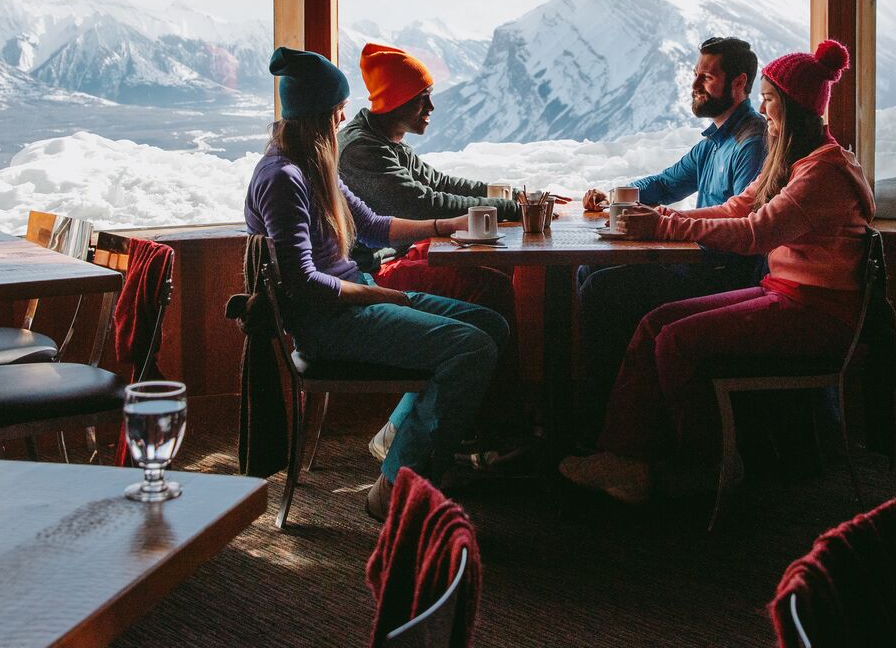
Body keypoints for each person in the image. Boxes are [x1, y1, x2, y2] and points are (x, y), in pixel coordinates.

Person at [558, 40, 871, 505]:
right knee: (655, 324)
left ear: (790, 106)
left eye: (769, 100)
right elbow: (737, 208)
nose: (764, 111)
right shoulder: (797, 164)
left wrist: (665, 224)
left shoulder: (823, 174)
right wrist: (660, 216)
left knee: (676, 340)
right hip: (785, 293)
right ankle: (622, 454)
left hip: (817, 313)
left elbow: (754, 233)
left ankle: (706, 467)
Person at [245, 47, 510, 520]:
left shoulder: (313, 164)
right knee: (471, 348)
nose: (344, 116)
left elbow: (372, 225)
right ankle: (394, 485)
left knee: (489, 325)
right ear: (319, 115)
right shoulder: (283, 177)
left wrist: (444, 226)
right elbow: (305, 283)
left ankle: (406, 446)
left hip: (353, 299)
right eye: (337, 109)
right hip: (329, 321)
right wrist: (377, 293)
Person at [338, 41, 531, 458]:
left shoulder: (384, 138)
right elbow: (423, 202)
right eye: (423, 98)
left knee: (491, 286)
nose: (431, 108)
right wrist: (511, 208)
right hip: (372, 272)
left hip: (391, 261)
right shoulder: (361, 150)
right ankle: (478, 433)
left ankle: (446, 428)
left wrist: (510, 195)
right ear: (399, 99)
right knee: (488, 292)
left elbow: (441, 183)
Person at [573, 36, 767, 440]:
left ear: (739, 83)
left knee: (600, 289)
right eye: (696, 75)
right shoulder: (715, 141)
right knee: (589, 268)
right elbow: (664, 183)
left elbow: (744, 220)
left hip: (725, 274)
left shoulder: (751, 142)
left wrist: (663, 221)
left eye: (707, 77)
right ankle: (611, 407)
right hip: (698, 261)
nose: (695, 84)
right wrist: (614, 196)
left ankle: (604, 423)